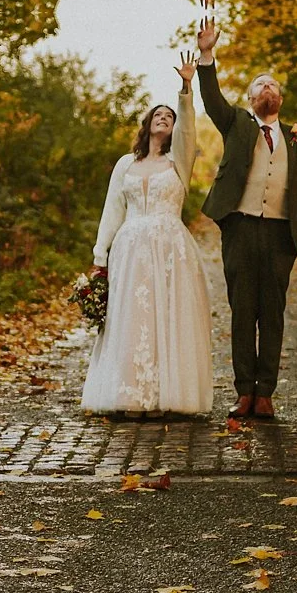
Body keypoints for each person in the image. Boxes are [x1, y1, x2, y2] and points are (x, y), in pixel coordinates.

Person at [191, 19, 297, 421]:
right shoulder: (237, 124)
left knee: (273, 313)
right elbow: (211, 99)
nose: (270, 89)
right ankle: (244, 392)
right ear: (250, 98)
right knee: (243, 311)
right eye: (262, 85)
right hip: (242, 228)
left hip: (281, 234)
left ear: (281, 99)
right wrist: (207, 55)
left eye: (274, 86)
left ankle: (266, 394)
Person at [81, 52, 216, 418]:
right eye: (159, 114)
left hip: (169, 247)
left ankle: (163, 397)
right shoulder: (126, 164)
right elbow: (112, 209)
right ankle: (129, 395)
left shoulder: (178, 163)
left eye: (169, 117)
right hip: (129, 249)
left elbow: (188, 127)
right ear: (147, 123)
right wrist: (100, 254)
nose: (164, 118)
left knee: (165, 315)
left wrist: (186, 90)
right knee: (132, 318)